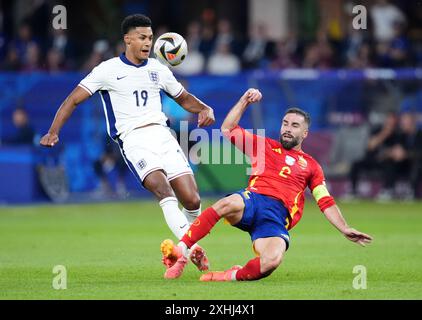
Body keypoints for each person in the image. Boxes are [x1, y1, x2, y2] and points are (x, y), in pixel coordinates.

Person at [39, 14, 215, 272]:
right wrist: (53, 131)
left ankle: (186, 249)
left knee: (192, 199)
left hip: (163, 136)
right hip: (133, 140)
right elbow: (72, 100)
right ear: (128, 39)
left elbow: (184, 98)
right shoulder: (107, 70)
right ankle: (195, 248)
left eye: (151, 38)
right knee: (163, 191)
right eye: (142, 37)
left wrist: (204, 108)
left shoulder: (158, 69)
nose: (148, 43)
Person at [160, 88, 373, 281]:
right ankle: (181, 252)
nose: (288, 129)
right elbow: (228, 129)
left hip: (276, 219)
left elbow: (325, 201)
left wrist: (344, 228)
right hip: (252, 201)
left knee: (271, 261)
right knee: (227, 203)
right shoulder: (264, 146)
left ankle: (226, 276)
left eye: (295, 125)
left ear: (305, 134)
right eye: (285, 123)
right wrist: (244, 100)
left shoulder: (312, 166)